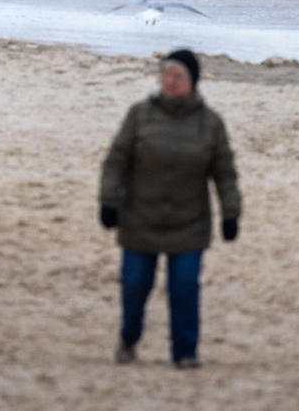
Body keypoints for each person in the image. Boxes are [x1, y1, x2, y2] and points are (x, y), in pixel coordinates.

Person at [99, 49, 240, 369]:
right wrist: (108, 201)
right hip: (140, 219)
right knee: (134, 288)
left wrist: (231, 213)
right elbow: (115, 162)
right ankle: (128, 339)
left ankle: (185, 353)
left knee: (184, 289)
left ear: (193, 82)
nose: (170, 81)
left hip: (188, 225)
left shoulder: (210, 123)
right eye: (166, 75)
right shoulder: (140, 115)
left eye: (178, 76)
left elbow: (225, 173)